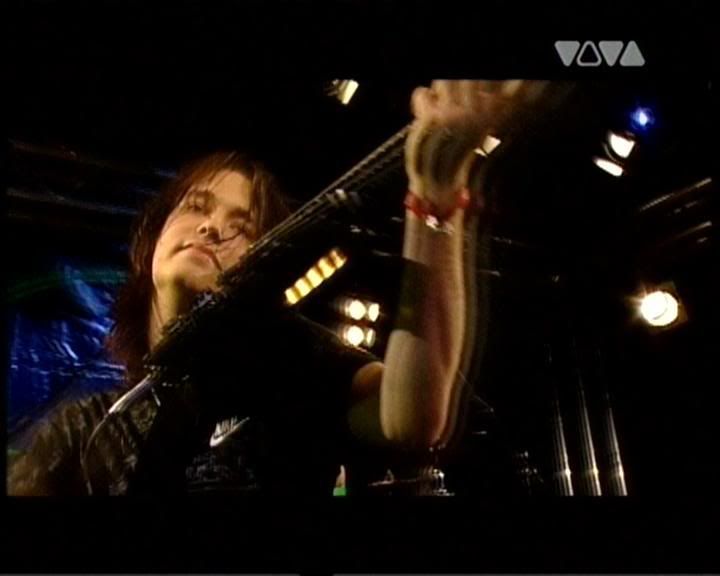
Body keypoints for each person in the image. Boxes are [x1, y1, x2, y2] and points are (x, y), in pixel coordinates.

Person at [7, 80, 533, 495]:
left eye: (243, 226)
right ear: (151, 241)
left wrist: (434, 205)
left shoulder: (296, 369)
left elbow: (413, 418)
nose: (212, 227)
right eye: (197, 207)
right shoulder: (85, 429)